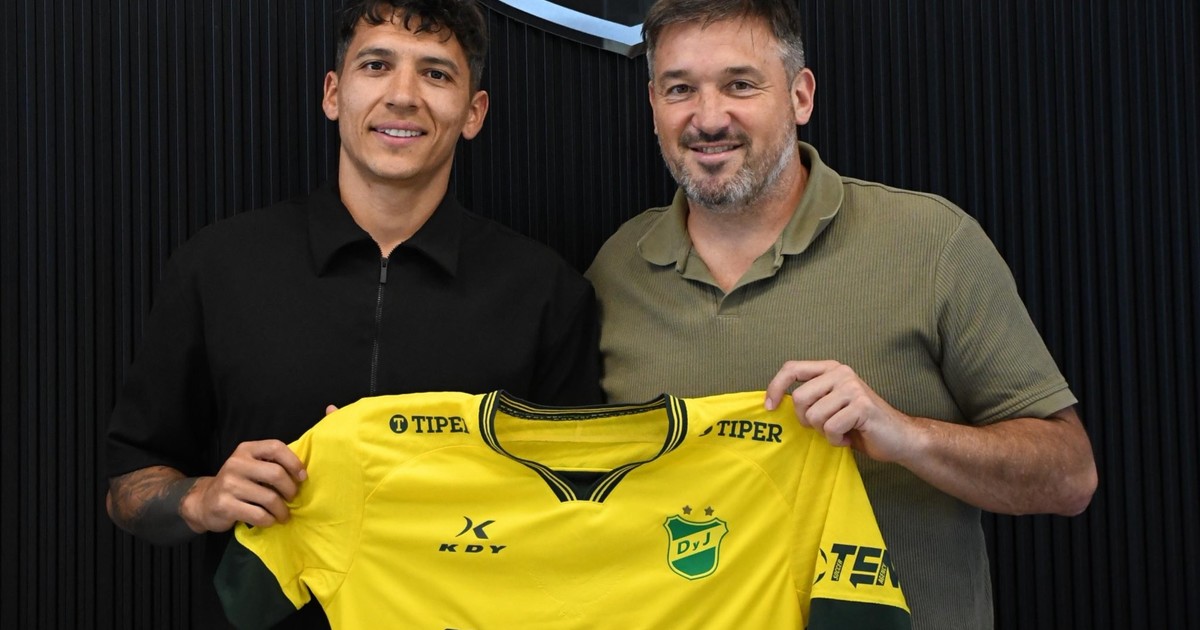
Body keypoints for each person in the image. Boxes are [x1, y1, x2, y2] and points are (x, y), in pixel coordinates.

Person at [585, 0, 1097, 628]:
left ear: (800, 96)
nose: (708, 117)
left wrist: (907, 436)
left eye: (740, 85)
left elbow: (1070, 477)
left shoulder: (931, 243)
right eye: (680, 89)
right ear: (653, 106)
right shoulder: (617, 269)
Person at [105, 1, 601, 627]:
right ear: (334, 94)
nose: (403, 95)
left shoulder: (545, 291)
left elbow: (582, 513)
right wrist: (200, 498)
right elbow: (127, 485)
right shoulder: (218, 266)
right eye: (376, 65)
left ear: (473, 112)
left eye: (436, 73)